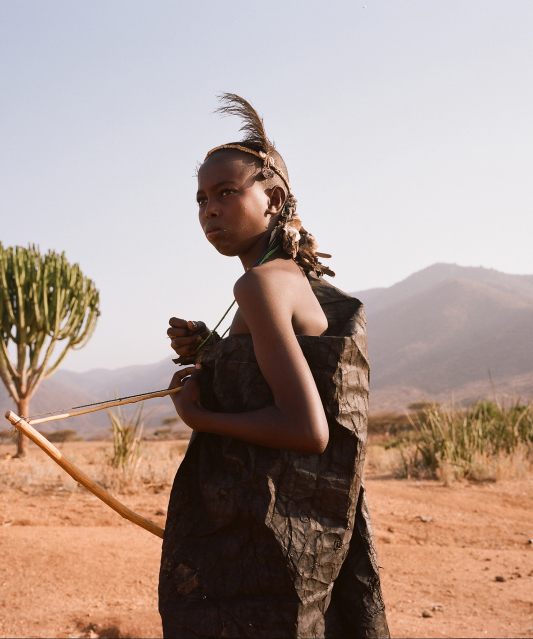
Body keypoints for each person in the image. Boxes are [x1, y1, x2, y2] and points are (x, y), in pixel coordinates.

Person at [160, 93, 389, 638]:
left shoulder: (258, 284)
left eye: (226, 193)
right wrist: (213, 352)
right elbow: (275, 372)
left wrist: (198, 417)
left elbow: (306, 430)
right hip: (289, 532)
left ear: (274, 198)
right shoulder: (286, 280)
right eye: (200, 199)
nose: (208, 210)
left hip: (267, 546)